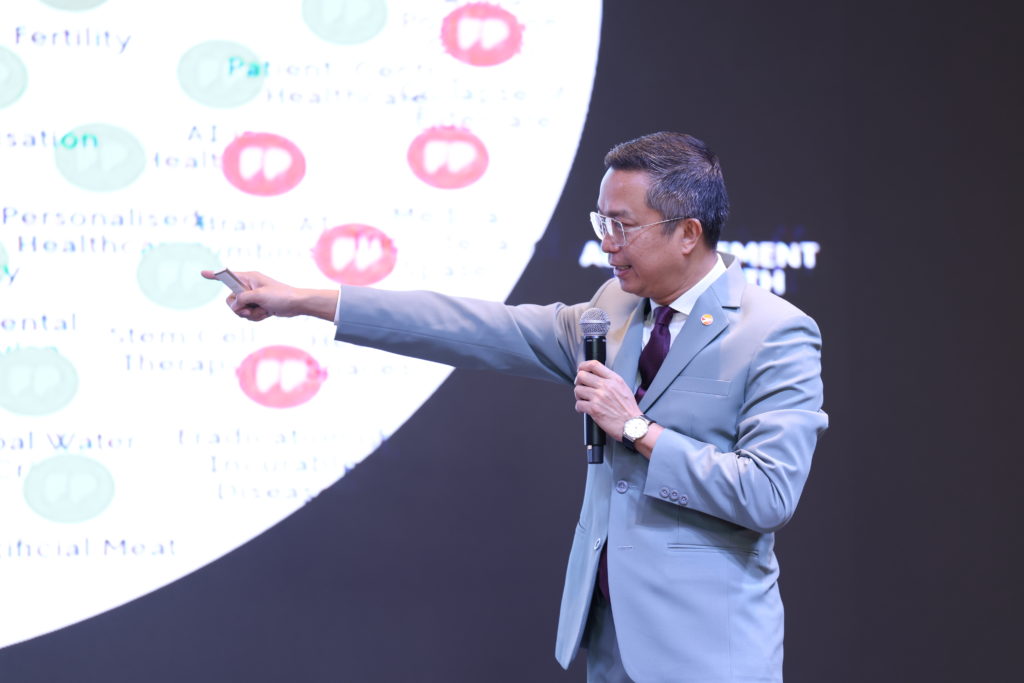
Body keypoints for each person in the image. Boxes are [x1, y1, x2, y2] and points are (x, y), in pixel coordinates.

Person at [203, 131, 827, 683]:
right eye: (601, 223)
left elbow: (768, 495)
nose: (607, 244)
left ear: (687, 233)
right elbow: (472, 326)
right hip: (611, 639)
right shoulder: (612, 308)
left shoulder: (774, 333)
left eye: (623, 226)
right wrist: (308, 301)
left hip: (709, 651)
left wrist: (637, 427)